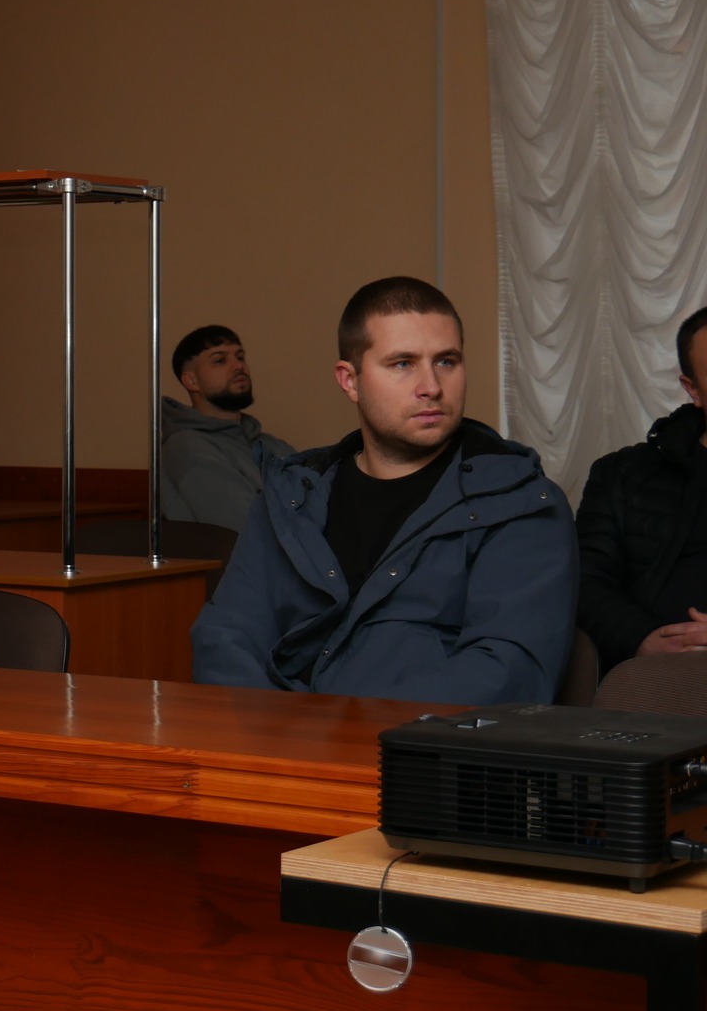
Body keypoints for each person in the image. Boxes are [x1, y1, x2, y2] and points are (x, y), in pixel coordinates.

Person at [191, 277, 576, 704]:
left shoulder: (522, 502)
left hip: (421, 743)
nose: (431, 386)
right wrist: (286, 731)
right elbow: (226, 638)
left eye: (446, 361)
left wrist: (337, 729)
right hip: (282, 738)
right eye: (403, 364)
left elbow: (507, 674)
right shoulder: (291, 497)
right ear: (349, 381)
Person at [577, 304, 707, 673]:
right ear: (693, 389)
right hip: (653, 680)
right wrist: (643, 638)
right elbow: (584, 583)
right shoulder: (621, 475)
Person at [160, 324, 295, 531]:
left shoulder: (271, 445)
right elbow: (248, 525)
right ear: (191, 380)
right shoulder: (186, 447)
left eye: (240, 357)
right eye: (220, 360)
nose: (238, 366)